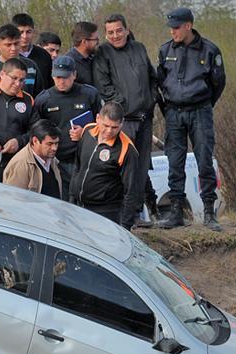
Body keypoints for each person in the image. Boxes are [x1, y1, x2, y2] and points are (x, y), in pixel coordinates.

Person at [156, 7, 226, 231]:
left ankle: (208, 211)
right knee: (174, 162)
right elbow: (160, 81)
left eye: (176, 27)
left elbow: (218, 83)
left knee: (204, 159)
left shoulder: (209, 50)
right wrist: (166, 109)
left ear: (188, 25)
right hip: (174, 112)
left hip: (199, 111)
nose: (172, 32)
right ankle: (176, 211)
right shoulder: (165, 50)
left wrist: (204, 104)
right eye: (170, 28)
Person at [94, 13, 159, 228]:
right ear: (106, 34)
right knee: (123, 169)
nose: (115, 35)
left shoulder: (139, 48)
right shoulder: (103, 52)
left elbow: (151, 77)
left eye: (119, 30)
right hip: (123, 120)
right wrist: (123, 104)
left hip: (144, 118)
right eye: (110, 32)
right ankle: (120, 217)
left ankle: (136, 213)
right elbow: (103, 85)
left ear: (127, 30)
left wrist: (151, 101)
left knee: (140, 168)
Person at [69, 101, 140, 226]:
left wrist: (125, 226)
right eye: (106, 125)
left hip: (106, 212)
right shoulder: (87, 130)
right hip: (78, 206)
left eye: (114, 127)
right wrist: (72, 197)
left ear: (121, 124)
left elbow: (131, 192)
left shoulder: (127, 149)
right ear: (97, 118)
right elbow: (78, 166)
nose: (109, 131)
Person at [34, 55, 100, 185]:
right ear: (52, 76)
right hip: (57, 160)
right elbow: (36, 132)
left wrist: (86, 131)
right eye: (58, 77)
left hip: (86, 157)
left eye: (65, 77)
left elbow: (103, 124)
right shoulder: (43, 100)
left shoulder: (89, 94)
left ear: (74, 74)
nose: (61, 81)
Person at [0, 24, 42, 97]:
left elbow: (40, 96)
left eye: (16, 44)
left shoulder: (31, 66)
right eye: (8, 45)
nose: (13, 48)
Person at [3, 120, 64, 199]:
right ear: (35, 141)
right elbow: (14, 201)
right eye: (50, 144)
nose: (54, 148)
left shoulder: (52, 159)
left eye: (56, 143)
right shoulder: (21, 164)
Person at [13, 13, 54, 90]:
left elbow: (50, 84)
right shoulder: (10, 56)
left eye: (28, 32)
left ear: (33, 32)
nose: (25, 36)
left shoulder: (44, 55)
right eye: (21, 32)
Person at [66, 21, 99, 87]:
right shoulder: (69, 63)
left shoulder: (94, 57)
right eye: (96, 39)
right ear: (84, 42)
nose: (98, 42)